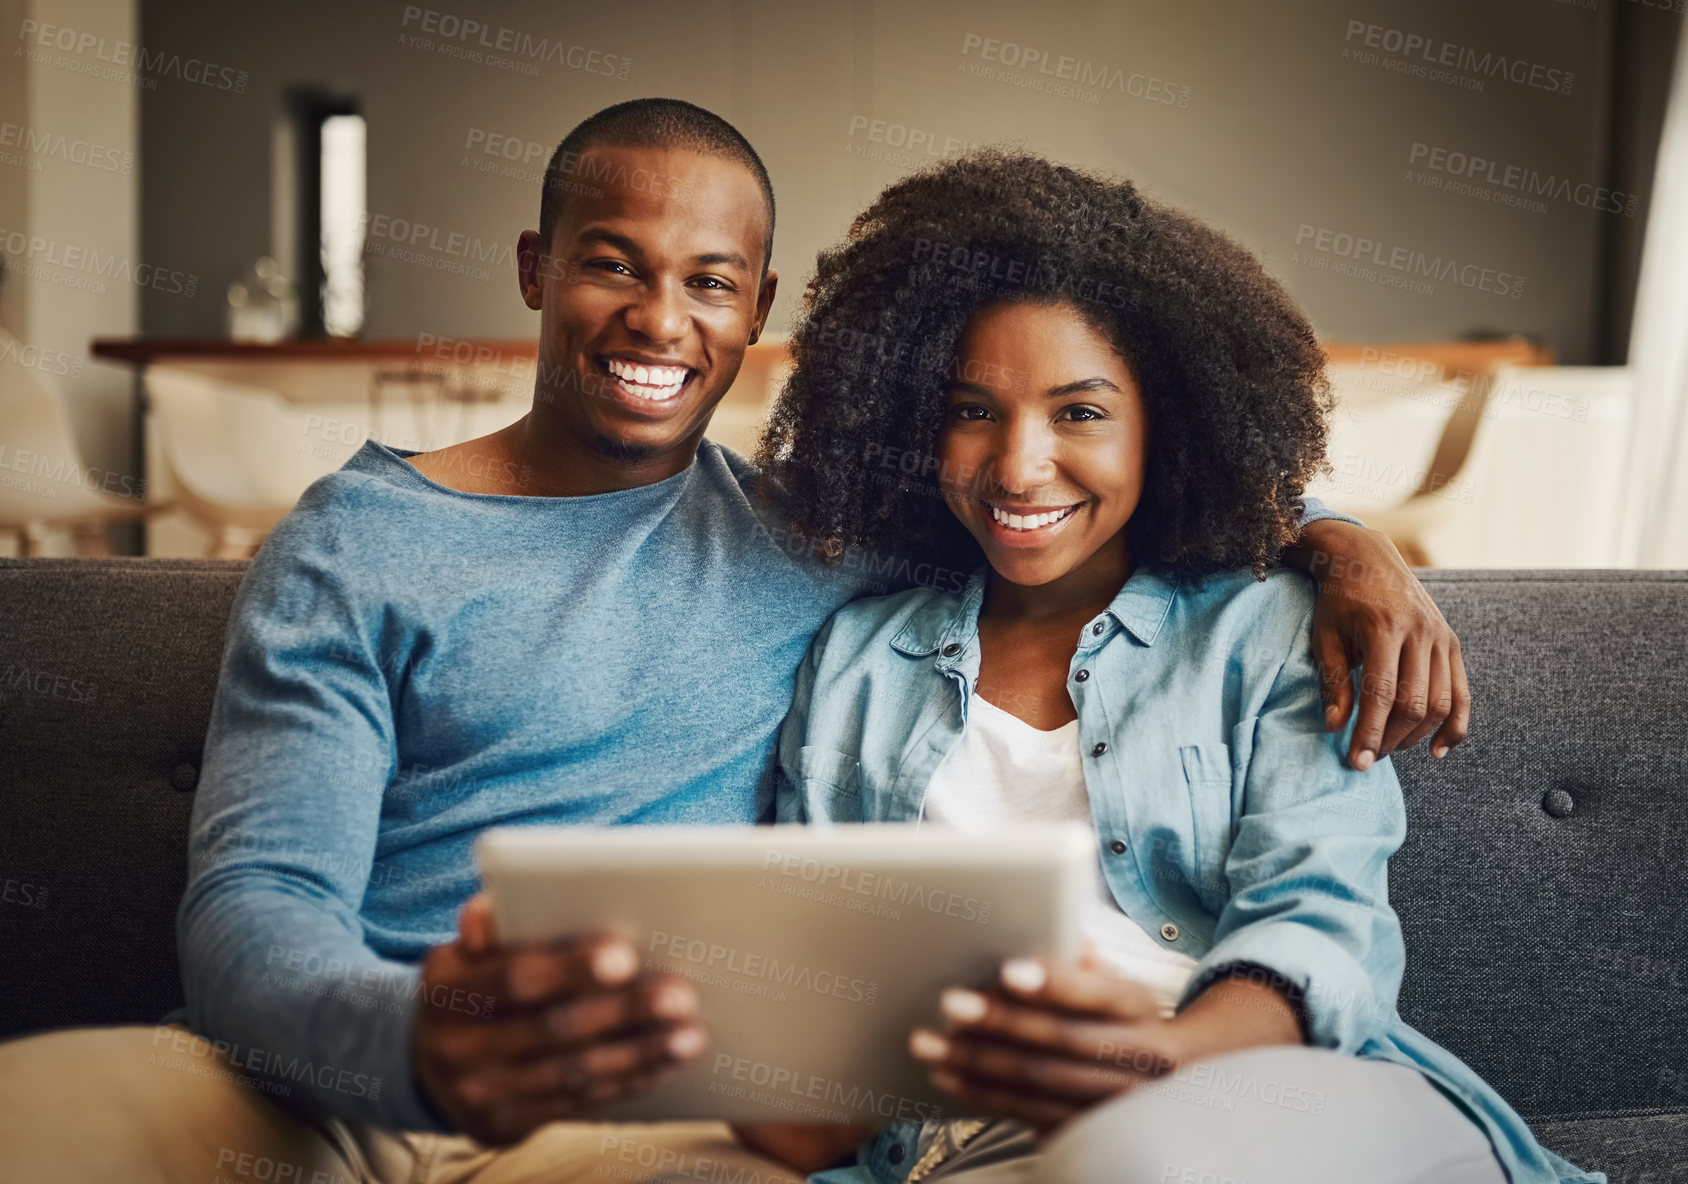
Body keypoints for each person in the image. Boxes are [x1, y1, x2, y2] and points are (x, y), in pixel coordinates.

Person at [0, 102, 1467, 1184]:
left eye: (708, 281)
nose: (659, 316)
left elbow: (1103, 474)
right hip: (303, 1093)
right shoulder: (353, 544)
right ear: (533, 268)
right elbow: (256, 904)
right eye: (612, 265)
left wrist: (1339, 543)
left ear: (756, 310)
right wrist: (424, 1037)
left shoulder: (816, 544)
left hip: (630, 1124)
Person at [759, 151, 1599, 1183]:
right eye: (973, 409)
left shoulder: (1268, 629)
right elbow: (816, 986)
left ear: (1170, 427)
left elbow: (1319, 921)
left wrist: (1152, 1054)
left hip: (1277, 1088)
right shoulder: (856, 661)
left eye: (1080, 412)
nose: (1020, 465)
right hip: (976, 1132)